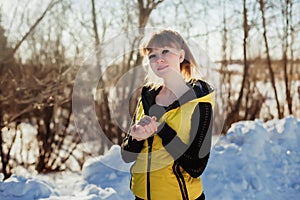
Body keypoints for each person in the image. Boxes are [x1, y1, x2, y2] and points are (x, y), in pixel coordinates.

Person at [121, 29, 214, 200]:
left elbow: (196, 166)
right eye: (152, 56)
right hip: (141, 196)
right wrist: (136, 138)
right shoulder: (146, 99)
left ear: (180, 56)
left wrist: (162, 130)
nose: (159, 59)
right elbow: (127, 156)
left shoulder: (200, 104)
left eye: (165, 51)